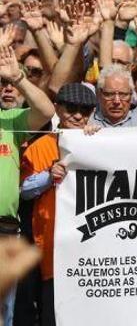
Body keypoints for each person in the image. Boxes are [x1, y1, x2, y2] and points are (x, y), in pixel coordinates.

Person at [19, 83, 96, 326]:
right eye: (71, 108)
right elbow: (24, 191)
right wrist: (48, 175)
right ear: (56, 109)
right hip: (54, 254)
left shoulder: (99, 141)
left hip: (93, 258)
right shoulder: (40, 146)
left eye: (85, 110)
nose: (77, 115)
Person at [0, 44, 54, 326]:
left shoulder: (10, 121)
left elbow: (46, 111)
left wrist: (18, 78)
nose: (5, 87)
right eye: (2, 83)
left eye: (7, 84)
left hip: (5, 230)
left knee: (4, 315)